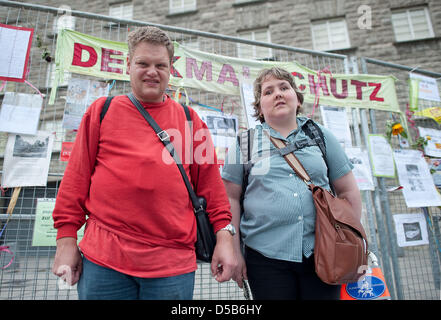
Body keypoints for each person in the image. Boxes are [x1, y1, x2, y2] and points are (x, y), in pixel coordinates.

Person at [51, 26, 236, 300]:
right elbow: (75, 181)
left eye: (160, 64)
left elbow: (212, 190)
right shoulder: (102, 111)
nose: (152, 71)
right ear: (128, 65)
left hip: (171, 265)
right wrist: (66, 240)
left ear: (171, 68)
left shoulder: (190, 120)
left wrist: (225, 239)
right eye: (143, 63)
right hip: (104, 262)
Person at [221, 67, 361, 300]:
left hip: (324, 253)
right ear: (259, 107)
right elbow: (230, 198)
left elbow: (348, 190)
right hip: (265, 258)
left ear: (297, 98)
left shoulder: (321, 136)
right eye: (268, 91)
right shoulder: (244, 144)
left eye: (284, 88)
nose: (278, 94)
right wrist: (233, 249)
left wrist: (350, 242)